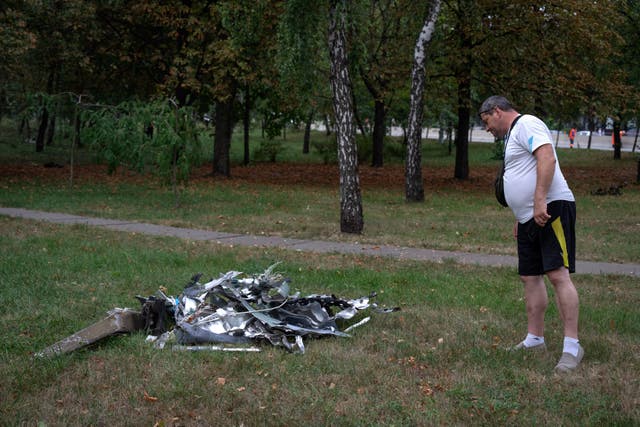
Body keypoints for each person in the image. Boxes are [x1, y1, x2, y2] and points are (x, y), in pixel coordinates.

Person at [479, 95, 583, 373]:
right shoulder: (514, 135)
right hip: (529, 218)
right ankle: (535, 339)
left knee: (558, 274)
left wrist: (538, 201)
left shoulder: (527, 123)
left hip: (552, 209)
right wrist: (522, 214)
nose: (488, 129)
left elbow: (546, 157)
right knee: (529, 276)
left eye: (487, 122)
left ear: (497, 111)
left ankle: (572, 347)